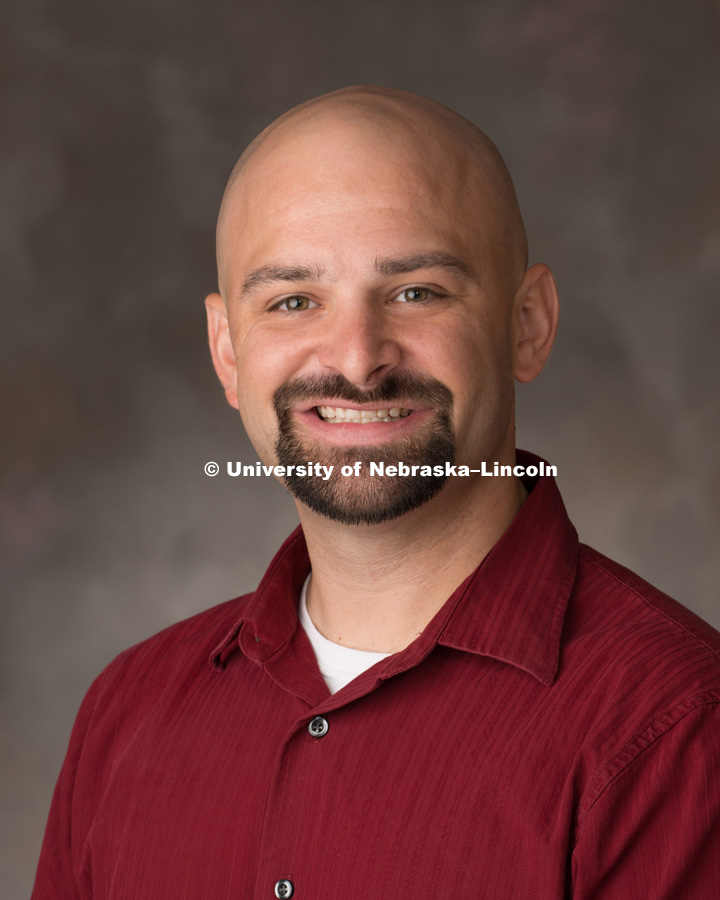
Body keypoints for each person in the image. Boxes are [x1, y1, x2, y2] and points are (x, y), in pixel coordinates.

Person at [32, 86, 720, 900]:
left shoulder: (676, 725)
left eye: (416, 292)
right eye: (293, 301)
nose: (358, 360)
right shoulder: (128, 710)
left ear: (526, 324)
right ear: (226, 352)